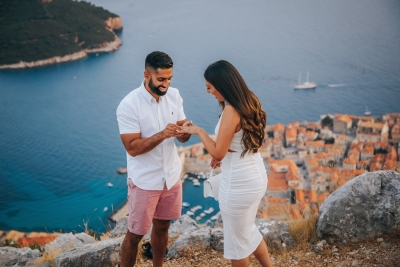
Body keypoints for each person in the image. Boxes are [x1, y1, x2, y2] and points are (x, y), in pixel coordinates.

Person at [180, 60, 273, 267]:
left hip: (238, 185)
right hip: (256, 177)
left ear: (222, 85)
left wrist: (199, 131)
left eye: (209, 87)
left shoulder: (231, 111)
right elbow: (237, 142)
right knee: (247, 231)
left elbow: (219, 152)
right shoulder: (250, 100)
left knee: (236, 246)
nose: (208, 91)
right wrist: (221, 151)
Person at [116, 51, 191, 267]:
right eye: (161, 79)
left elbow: (182, 132)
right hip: (145, 180)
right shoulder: (129, 105)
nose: (166, 84)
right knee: (135, 235)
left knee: (163, 227)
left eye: (169, 79)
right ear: (146, 75)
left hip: (171, 175)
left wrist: (185, 133)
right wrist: (162, 134)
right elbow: (132, 148)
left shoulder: (174, 95)